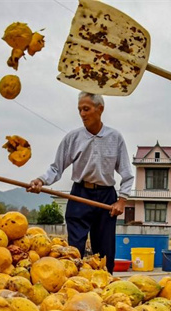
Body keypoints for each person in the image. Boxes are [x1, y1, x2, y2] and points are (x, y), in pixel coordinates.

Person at [28, 92, 134, 273]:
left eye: (86, 109)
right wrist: (40, 181)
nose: (82, 114)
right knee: (74, 250)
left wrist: (122, 200)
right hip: (80, 194)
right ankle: (74, 284)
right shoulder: (73, 138)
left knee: (104, 253)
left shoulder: (115, 138)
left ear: (100, 109)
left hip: (106, 198)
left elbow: (126, 172)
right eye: (80, 110)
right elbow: (56, 168)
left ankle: (105, 288)